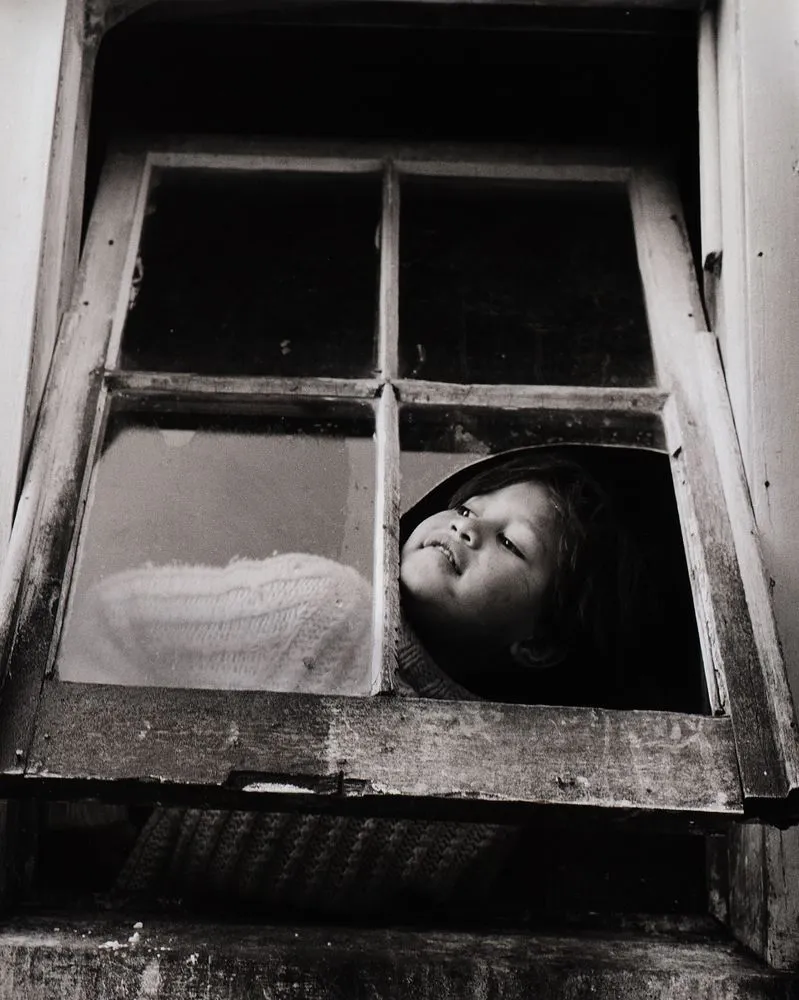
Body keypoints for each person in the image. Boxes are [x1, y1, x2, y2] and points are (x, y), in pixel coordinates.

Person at [77, 448, 631, 914]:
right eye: (466, 506)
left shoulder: (497, 790)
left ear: (537, 644)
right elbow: (105, 617)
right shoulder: (326, 610)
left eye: (511, 543)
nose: (467, 525)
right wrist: (97, 825)